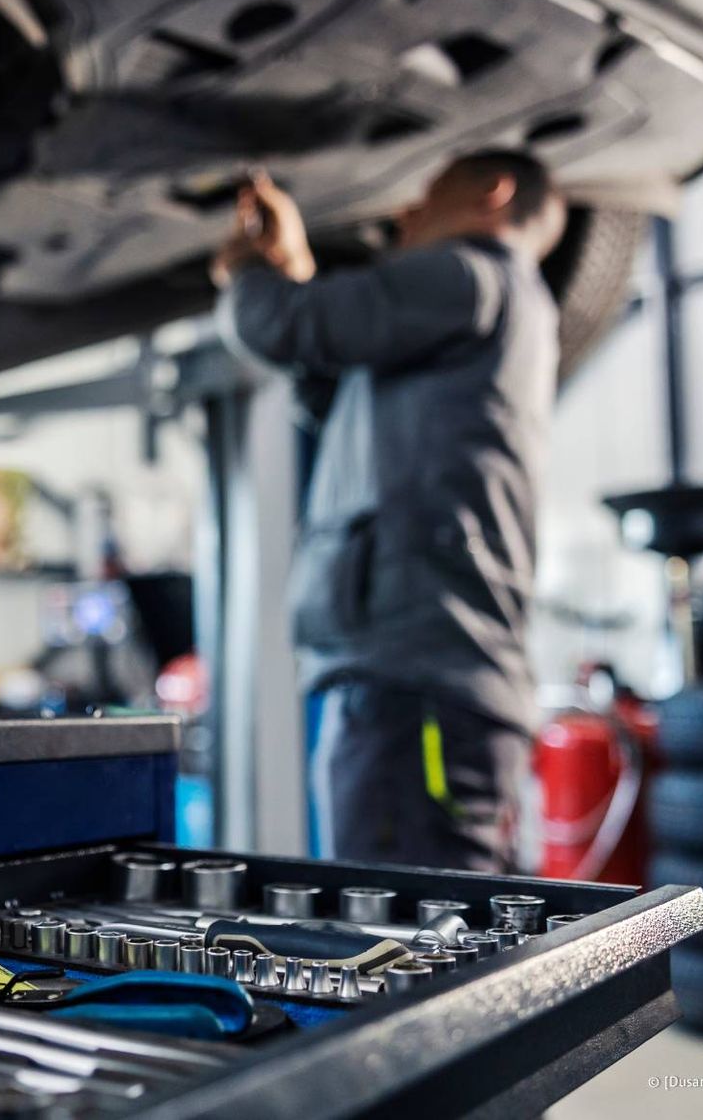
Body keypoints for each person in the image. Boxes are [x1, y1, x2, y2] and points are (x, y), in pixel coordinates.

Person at [211, 152, 568, 871]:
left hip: (418, 696)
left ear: (492, 194)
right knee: (434, 947)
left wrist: (250, 272)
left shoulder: (468, 272)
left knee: (405, 955)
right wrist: (295, 274)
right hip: (430, 689)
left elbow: (289, 326)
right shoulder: (498, 303)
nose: (405, 213)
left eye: (427, 193)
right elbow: (333, 382)